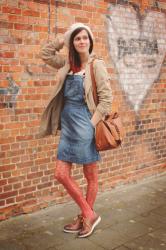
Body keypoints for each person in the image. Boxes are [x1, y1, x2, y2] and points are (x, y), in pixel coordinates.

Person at [39, 23, 113, 238]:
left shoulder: (96, 65)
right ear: (73, 42)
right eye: (77, 38)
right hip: (68, 127)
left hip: (85, 124)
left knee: (90, 175)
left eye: (85, 38)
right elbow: (45, 54)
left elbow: (106, 100)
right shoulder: (67, 63)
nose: (82, 41)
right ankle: (89, 213)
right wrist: (62, 39)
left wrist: (91, 125)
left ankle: (84, 217)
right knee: (60, 174)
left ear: (90, 41)